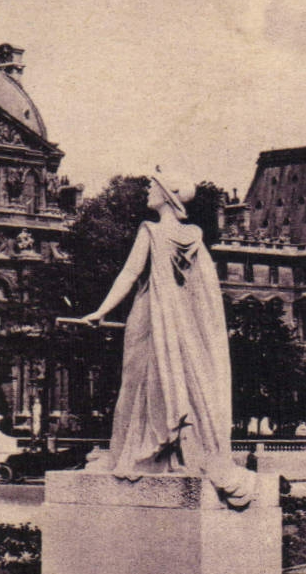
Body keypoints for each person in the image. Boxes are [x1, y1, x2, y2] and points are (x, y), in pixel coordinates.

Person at [81, 172, 256, 507]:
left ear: (167, 195)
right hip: (180, 329)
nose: (148, 191)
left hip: (150, 320)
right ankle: (168, 453)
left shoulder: (151, 231)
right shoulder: (194, 238)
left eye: (152, 187)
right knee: (174, 386)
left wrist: (100, 311)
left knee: (137, 387)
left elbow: (129, 274)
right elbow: (203, 298)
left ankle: (132, 454)